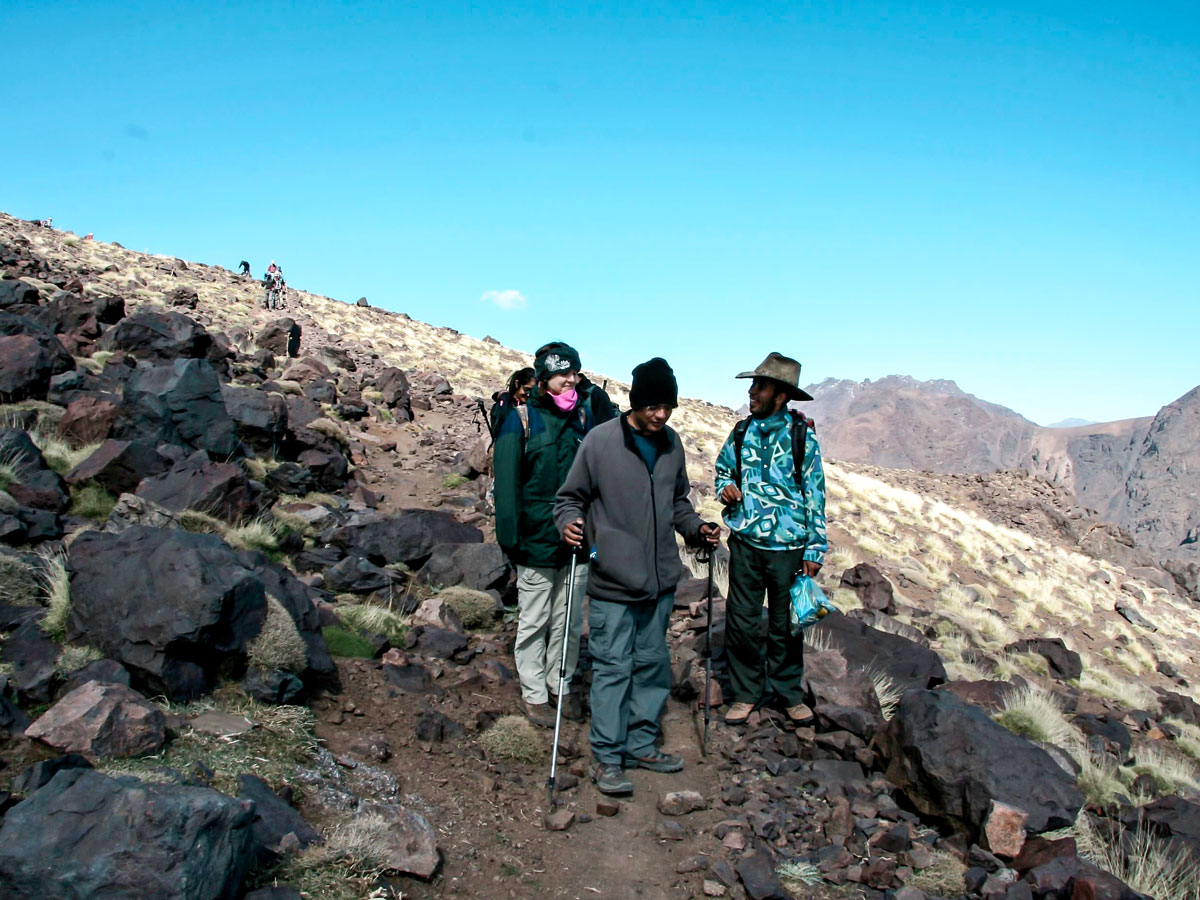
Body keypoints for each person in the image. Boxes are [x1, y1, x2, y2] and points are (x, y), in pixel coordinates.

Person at [556, 357, 720, 795]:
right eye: (653, 406)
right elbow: (569, 499)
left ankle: (642, 744)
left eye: (668, 406)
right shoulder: (600, 442)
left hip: (661, 581)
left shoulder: (672, 445)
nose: (661, 415)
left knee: (651, 665)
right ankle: (608, 757)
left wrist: (695, 528)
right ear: (635, 402)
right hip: (611, 580)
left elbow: (679, 502)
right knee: (613, 668)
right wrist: (571, 525)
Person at [714, 353, 827, 727]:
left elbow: (815, 492)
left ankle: (788, 694)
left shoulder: (801, 436)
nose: (751, 392)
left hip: (789, 549)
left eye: (759, 386)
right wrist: (726, 487)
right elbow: (722, 471)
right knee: (742, 621)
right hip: (745, 545)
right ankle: (746, 694)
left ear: (780, 395)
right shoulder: (741, 432)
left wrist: (815, 546)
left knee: (785, 625)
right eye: (752, 385)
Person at [493, 344, 596, 728]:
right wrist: (511, 539)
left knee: (568, 618)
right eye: (561, 374)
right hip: (535, 539)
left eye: (574, 373)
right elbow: (506, 486)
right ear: (543, 377)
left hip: (577, 539)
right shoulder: (520, 419)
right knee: (535, 618)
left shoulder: (585, 415)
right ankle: (535, 692)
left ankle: (562, 684)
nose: (570, 380)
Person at [534, 341, 619, 424]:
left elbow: (608, 435)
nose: (572, 379)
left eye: (574, 373)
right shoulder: (531, 401)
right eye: (564, 373)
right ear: (545, 377)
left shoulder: (593, 398)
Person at [488, 367, 536, 439]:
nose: (529, 394)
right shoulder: (503, 405)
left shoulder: (534, 406)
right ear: (517, 384)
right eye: (527, 389)